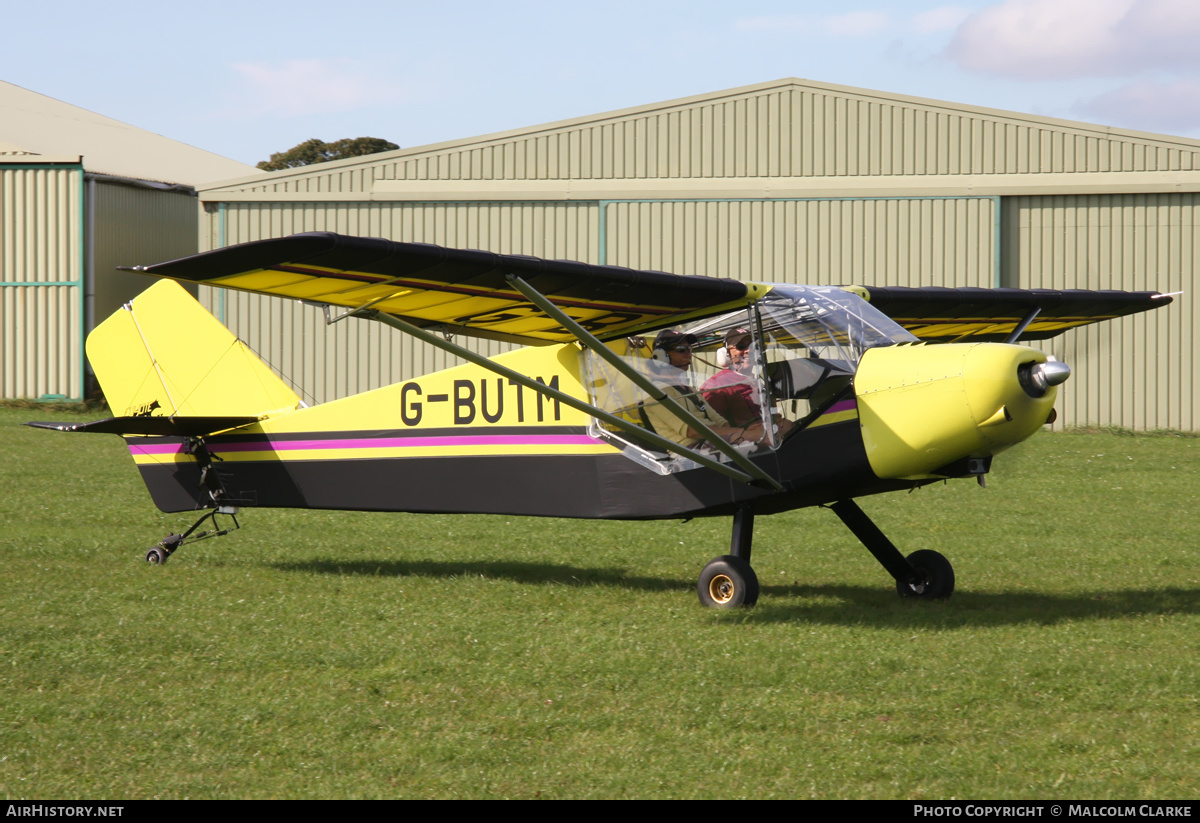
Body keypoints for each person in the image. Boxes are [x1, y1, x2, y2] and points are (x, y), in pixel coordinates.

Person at [641, 329, 765, 450]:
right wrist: (744, 433)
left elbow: (721, 423)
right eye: (681, 350)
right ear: (660, 356)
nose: (688, 354)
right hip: (690, 453)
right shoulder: (655, 392)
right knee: (762, 437)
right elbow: (692, 431)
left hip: (711, 442)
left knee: (774, 430)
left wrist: (744, 431)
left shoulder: (690, 390)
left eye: (689, 349)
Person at [701, 328, 794, 438]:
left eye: (753, 346)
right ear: (726, 353)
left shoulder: (758, 382)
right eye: (741, 346)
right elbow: (714, 428)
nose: (748, 350)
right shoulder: (715, 386)